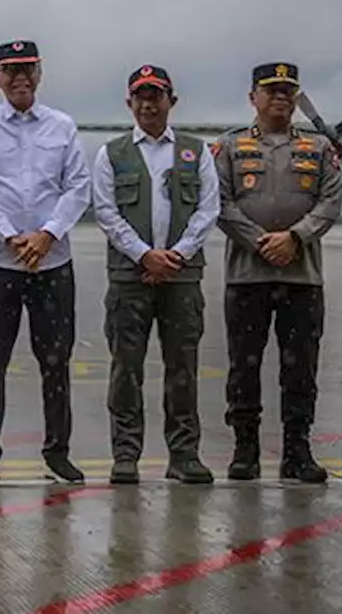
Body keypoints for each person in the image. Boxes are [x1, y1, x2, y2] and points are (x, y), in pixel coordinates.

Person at [0, 39, 91, 483]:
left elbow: (77, 187)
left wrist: (47, 234)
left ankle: (57, 451)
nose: (20, 77)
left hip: (53, 262)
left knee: (56, 359)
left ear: (40, 72)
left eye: (27, 68)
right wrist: (13, 237)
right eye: (10, 69)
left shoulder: (62, 126)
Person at [91, 65, 219, 485]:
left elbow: (208, 211)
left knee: (182, 368)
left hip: (181, 280)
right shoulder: (111, 154)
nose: (149, 103)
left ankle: (184, 455)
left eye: (157, 95)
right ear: (130, 103)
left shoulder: (195, 152)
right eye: (141, 96)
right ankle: (125, 454)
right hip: (130, 279)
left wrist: (175, 258)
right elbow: (106, 213)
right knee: (126, 369)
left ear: (172, 101)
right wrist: (145, 255)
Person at [214, 62, 341, 483]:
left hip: (301, 278)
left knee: (300, 369)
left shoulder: (320, 149)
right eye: (271, 90)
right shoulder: (229, 148)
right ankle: (245, 449)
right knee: (243, 367)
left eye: (288, 90)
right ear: (253, 97)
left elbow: (329, 203)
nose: (281, 97)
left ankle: (297, 450)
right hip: (247, 276)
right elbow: (220, 203)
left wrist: (295, 238)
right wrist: (260, 240)